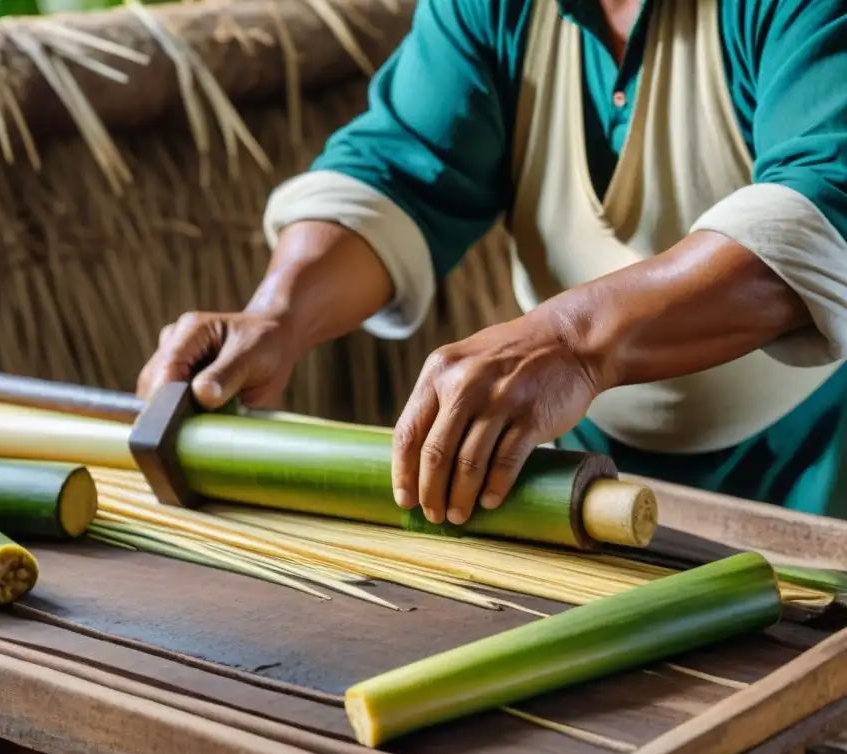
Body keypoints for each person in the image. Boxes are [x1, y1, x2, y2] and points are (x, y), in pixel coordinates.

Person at [138, 0, 847, 526]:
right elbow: (401, 170)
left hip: (816, 470)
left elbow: (822, 207)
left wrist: (569, 341)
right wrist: (277, 316)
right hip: (581, 475)